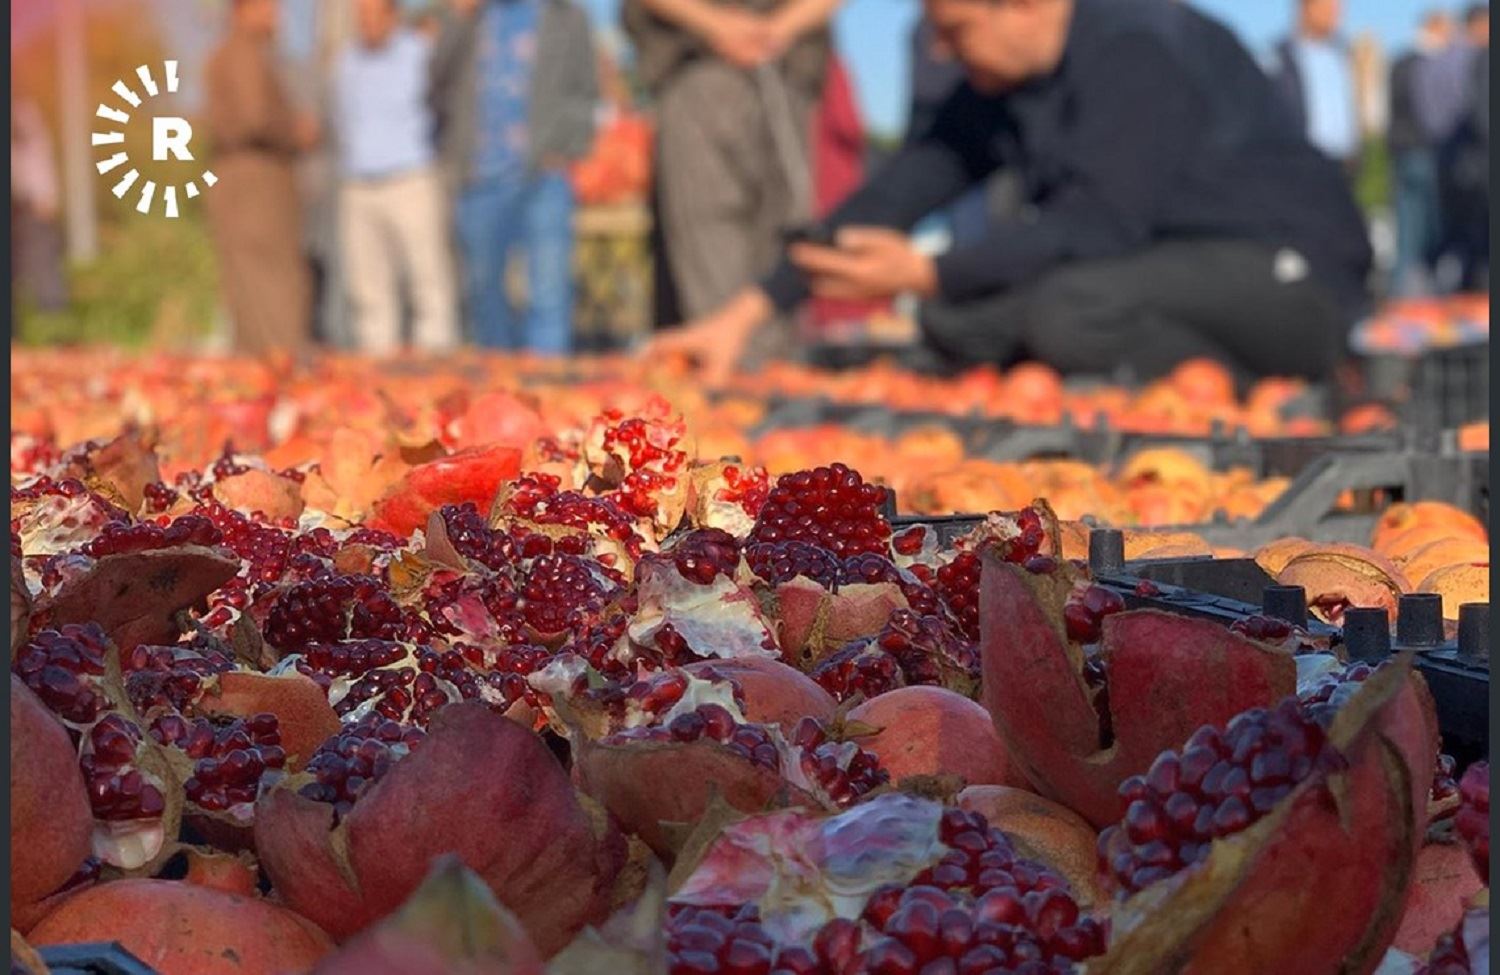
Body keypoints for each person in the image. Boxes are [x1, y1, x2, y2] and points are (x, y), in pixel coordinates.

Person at [649, 0, 1372, 386]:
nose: (942, 51)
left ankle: (1270, 387)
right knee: (952, 320)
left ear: (1021, 5)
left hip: (1288, 276)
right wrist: (743, 315)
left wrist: (928, 269)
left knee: (1065, 310)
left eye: (954, 29)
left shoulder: (1137, 41)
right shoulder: (1001, 82)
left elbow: (1100, 221)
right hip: (1153, 276)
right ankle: (1111, 369)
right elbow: (898, 191)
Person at [623, 0, 844, 323]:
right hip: (696, 67)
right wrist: (715, 24)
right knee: (713, 263)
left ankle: (766, 365)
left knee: (783, 249)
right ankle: (727, 361)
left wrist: (779, 28)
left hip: (788, 75)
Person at [430, 0, 598, 353]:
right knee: (482, 291)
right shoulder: (467, 16)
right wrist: (459, 18)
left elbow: (585, 89)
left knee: (548, 291)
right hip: (478, 178)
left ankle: (550, 388)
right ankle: (497, 388)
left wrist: (566, 145)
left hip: (543, 175)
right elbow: (434, 80)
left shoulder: (565, 15)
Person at [333, 0, 459, 355]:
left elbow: (443, 108)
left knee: (426, 276)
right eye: (361, 17)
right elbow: (342, 119)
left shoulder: (420, 55)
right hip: (358, 182)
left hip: (409, 176)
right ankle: (377, 360)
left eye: (374, 15)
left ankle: (435, 356)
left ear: (393, 15)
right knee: (367, 285)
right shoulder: (347, 62)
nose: (367, 24)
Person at [205, 0, 320, 358]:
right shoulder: (244, 54)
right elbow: (255, 118)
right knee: (275, 281)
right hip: (258, 181)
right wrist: (295, 131)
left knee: (249, 285)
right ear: (242, 11)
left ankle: (259, 374)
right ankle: (284, 372)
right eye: (267, 7)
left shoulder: (224, 55)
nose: (276, 16)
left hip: (237, 181)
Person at [1388, 11, 1454, 296]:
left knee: (1409, 230)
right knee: (1423, 230)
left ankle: (1403, 292)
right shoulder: (1428, 64)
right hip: (1423, 152)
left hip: (1405, 152)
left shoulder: (1401, 62)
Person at [1271, 0, 1362, 176]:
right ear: (1306, 8)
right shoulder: (1280, 57)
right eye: (1329, 8)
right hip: (1302, 161)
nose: (1336, 15)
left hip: (1344, 161)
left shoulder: (1344, 54)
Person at [11, 95, 68, 313]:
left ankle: (52, 326)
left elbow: (35, 156)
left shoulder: (23, 113)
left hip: (31, 204)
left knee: (42, 267)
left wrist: (46, 194)